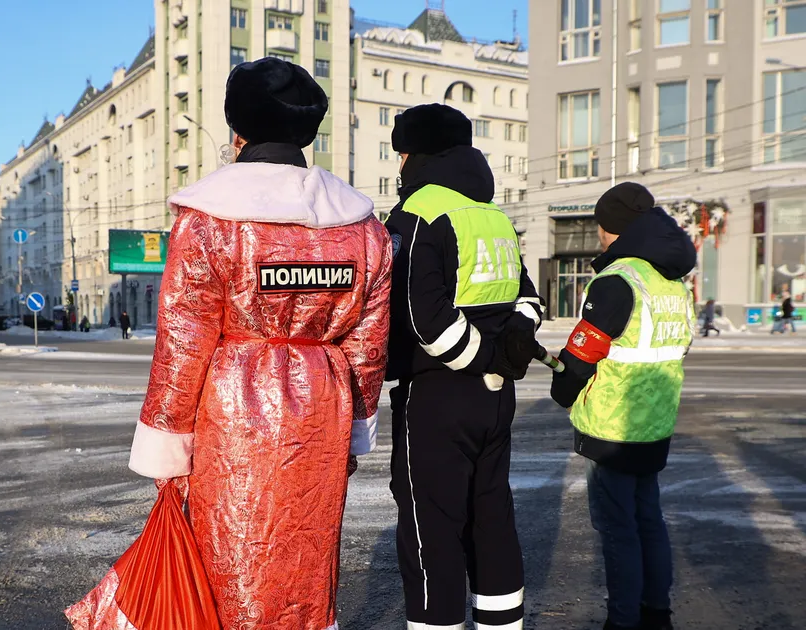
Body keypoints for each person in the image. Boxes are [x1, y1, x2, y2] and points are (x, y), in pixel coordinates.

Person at [125, 57, 392, 629]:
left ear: (236, 130)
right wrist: (355, 424)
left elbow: (183, 337)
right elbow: (369, 342)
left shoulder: (209, 220)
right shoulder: (361, 226)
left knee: (233, 553)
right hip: (323, 405)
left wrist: (167, 444)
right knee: (306, 549)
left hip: (234, 408)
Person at [382, 103, 542, 630]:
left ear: (413, 155)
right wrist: (511, 346)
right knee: (491, 517)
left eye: (401, 154)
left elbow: (422, 319)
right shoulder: (493, 216)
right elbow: (528, 298)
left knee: (432, 528)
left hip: (437, 396)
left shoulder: (418, 214)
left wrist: (483, 357)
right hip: (496, 400)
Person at [550, 182, 695, 630]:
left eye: (600, 226)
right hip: (655, 423)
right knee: (649, 519)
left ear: (610, 229)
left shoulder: (618, 280)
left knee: (618, 529)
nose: (598, 235)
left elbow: (581, 353)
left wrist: (563, 389)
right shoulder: (671, 282)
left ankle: (622, 620)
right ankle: (657, 614)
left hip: (613, 426)